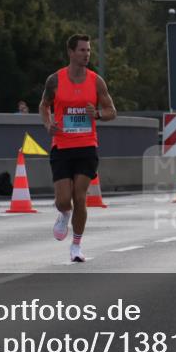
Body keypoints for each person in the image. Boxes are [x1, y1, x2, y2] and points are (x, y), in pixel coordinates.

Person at [40, 34, 117, 262]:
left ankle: (76, 246)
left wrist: (98, 115)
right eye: (82, 50)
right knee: (64, 199)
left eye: (89, 50)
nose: (86, 54)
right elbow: (44, 105)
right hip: (62, 146)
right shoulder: (55, 80)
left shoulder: (96, 81)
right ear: (71, 52)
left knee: (80, 196)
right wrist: (48, 123)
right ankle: (64, 213)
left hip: (86, 146)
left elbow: (112, 111)